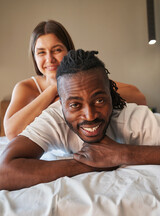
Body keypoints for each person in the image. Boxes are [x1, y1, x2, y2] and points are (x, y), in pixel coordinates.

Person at [0, 49, 159, 191]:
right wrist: (88, 163)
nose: (90, 116)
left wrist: (123, 154)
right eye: (75, 105)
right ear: (61, 105)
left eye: (99, 101)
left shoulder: (131, 118)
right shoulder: (54, 118)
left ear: (111, 96)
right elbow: (4, 171)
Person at [3, 20, 147, 140]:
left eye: (57, 50)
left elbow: (140, 98)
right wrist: (54, 89)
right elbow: (11, 133)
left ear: (69, 51)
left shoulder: (85, 80)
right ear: (34, 56)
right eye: (41, 52)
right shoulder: (25, 87)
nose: (49, 59)